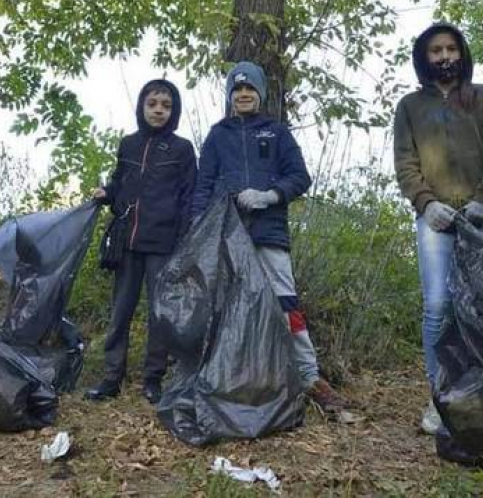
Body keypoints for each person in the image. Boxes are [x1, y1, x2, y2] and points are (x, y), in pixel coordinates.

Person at [192, 61, 347, 415]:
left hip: (269, 234)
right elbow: (202, 186)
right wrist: (198, 229)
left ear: (260, 94)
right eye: (237, 89)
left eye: (250, 89)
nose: (243, 94)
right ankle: (234, 378)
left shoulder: (277, 132)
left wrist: (270, 195)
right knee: (229, 308)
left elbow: (300, 176)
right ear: (230, 95)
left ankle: (309, 377)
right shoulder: (217, 135)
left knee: (285, 304)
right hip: (227, 238)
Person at [393, 23, 483, 434]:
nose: (444, 57)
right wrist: (426, 205)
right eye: (435, 51)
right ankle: (441, 398)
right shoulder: (409, 106)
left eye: (450, 49)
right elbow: (405, 164)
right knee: (439, 306)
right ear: (424, 59)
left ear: (461, 53)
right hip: (435, 221)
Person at [84, 79, 197, 404]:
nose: (159, 110)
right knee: (120, 311)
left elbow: (189, 198)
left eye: (166, 105)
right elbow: (120, 182)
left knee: (159, 315)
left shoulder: (182, 149)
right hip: (127, 243)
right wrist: (107, 193)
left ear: (173, 111)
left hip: (164, 245)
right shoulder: (128, 144)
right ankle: (110, 377)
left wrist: (183, 241)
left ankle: (153, 379)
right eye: (153, 104)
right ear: (142, 107)